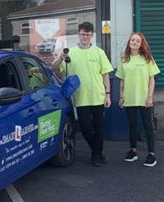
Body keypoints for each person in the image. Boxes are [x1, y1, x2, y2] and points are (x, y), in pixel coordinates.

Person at [52, 22, 114, 167]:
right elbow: (55, 69)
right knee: (85, 128)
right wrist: (61, 57)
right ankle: (97, 152)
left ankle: (96, 156)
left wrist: (108, 94)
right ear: (78, 34)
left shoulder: (99, 52)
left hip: (98, 96)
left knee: (99, 128)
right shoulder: (71, 53)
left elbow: (105, 75)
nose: (84, 37)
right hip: (80, 98)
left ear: (91, 35)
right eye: (82, 34)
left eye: (87, 34)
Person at [116, 32, 160, 167]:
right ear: (130, 41)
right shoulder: (124, 59)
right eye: (133, 40)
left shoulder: (147, 59)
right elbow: (122, 80)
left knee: (148, 127)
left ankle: (151, 155)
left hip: (144, 99)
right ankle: (133, 151)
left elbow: (152, 79)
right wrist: (121, 97)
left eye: (137, 41)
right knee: (132, 126)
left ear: (141, 45)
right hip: (129, 99)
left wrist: (150, 97)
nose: (134, 42)